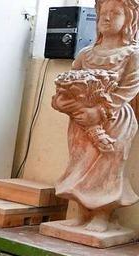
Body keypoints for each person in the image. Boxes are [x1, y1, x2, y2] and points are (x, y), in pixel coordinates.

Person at [51, 0, 139, 232]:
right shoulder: (86, 53)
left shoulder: (132, 55)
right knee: (80, 164)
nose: (107, 17)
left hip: (114, 119)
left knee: (107, 167)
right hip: (80, 121)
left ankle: (102, 215)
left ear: (129, 19)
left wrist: (98, 112)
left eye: (115, 13)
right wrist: (66, 104)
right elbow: (67, 84)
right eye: (103, 13)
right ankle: (81, 213)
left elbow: (128, 90)